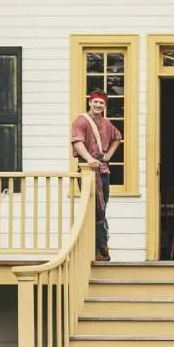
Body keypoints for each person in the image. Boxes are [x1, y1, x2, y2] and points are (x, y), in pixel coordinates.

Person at [71, 90, 123, 261]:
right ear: (90, 103)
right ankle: (100, 247)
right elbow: (77, 143)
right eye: (96, 102)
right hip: (88, 171)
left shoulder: (107, 124)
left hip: (103, 171)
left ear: (105, 106)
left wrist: (107, 156)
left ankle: (100, 248)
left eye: (102, 103)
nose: (98, 105)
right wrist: (89, 159)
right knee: (94, 210)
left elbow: (117, 138)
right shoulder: (81, 121)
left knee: (101, 209)